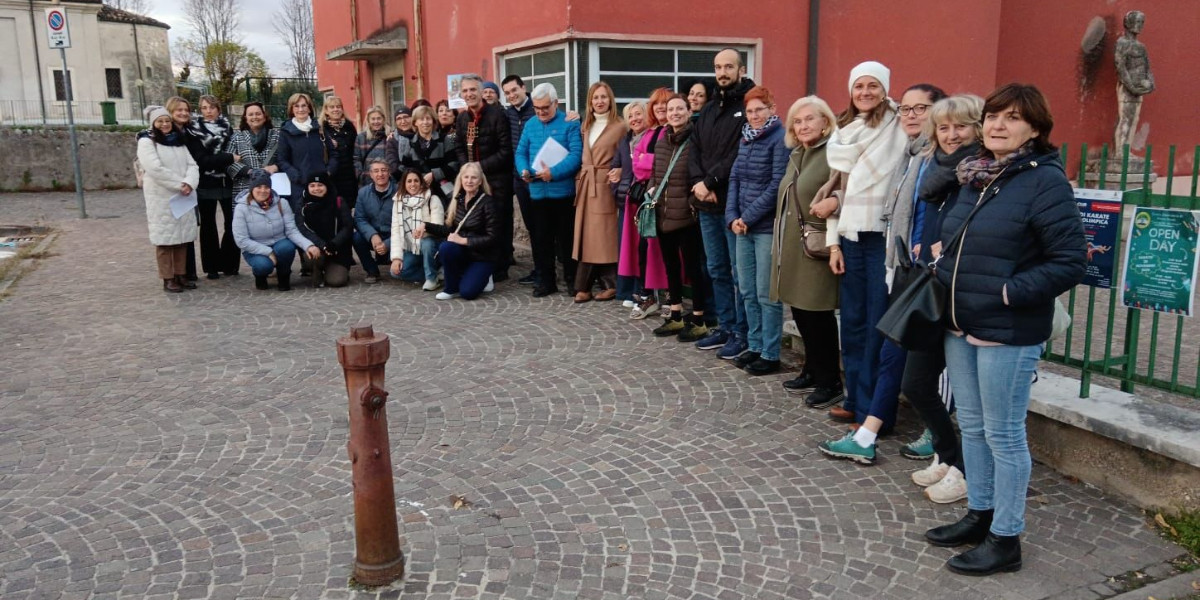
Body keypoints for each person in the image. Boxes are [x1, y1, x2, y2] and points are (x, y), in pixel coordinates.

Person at [924, 84, 1085, 576]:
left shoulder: (1044, 181)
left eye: (1011, 118)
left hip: (1008, 329)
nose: (997, 125)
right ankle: (981, 514)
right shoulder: (976, 174)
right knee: (970, 425)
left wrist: (1009, 292)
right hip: (960, 322)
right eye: (992, 116)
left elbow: (1070, 260)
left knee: (1004, 434)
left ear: (1034, 128)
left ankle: (1006, 537)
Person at [818, 82, 945, 462]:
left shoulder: (918, 149)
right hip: (880, 245)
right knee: (865, 328)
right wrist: (834, 239)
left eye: (920, 109)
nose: (911, 115)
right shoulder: (902, 149)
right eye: (907, 109)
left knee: (893, 338)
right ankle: (864, 409)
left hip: (901, 253)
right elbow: (844, 186)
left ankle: (898, 423)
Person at [811, 61, 906, 426]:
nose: (865, 92)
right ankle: (854, 397)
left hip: (880, 236)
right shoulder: (845, 131)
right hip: (850, 235)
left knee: (875, 325)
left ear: (884, 89)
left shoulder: (896, 128)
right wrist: (833, 243)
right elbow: (838, 189)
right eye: (859, 86)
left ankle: (875, 410)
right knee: (851, 322)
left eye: (873, 85)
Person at [904, 94, 984, 505]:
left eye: (962, 127)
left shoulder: (981, 173)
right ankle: (949, 455)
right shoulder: (938, 169)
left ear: (978, 129)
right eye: (945, 127)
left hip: (964, 294)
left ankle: (966, 470)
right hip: (934, 283)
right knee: (916, 383)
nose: (952, 136)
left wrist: (945, 249)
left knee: (970, 400)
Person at [771, 96, 843, 405]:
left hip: (818, 245)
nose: (802, 126)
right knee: (800, 309)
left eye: (809, 119)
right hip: (794, 244)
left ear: (825, 121)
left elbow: (845, 191)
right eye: (797, 121)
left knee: (818, 314)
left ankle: (830, 382)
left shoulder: (833, 153)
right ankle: (812, 369)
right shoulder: (798, 153)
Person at [690, 48, 755, 360]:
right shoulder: (711, 104)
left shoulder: (748, 103)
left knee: (738, 271)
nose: (723, 72)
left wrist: (710, 182)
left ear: (741, 69)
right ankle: (726, 326)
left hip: (733, 202)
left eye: (729, 66)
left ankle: (742, 332)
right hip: (706, 202)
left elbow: (739, 150)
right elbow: (695, 147)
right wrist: (698, 183)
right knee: (716, 269)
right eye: (718, 67)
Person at [726, 85, 789, 375]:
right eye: (750, 111)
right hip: (742, 226)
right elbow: (735, 177)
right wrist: (732, 216)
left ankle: (770, 352)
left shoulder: (780, 139)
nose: (754, 116)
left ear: (772, 109)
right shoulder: (746, 138)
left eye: (759, 110)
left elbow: (777, 184)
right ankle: (754, 345)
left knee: (766, 293)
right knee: (747, 290)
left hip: (764, 227)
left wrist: (747, 217)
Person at [648, 95, 708, 341]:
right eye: (670, 109)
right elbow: (655, 172)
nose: (674, 113)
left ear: (688, 111)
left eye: (679, 109)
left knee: (694, 268)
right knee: (670, 265)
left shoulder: (696, 139)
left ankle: (698, 318)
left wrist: (691, 204)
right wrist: (652, 187)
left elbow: (700, 174)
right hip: (663, 213)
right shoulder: (662, 140)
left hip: (687, 215)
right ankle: (675, 315)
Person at [515, 83, 583, 297]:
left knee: (567, 240)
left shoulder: (569, 123)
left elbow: (576, 156)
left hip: (562, 192)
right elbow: (520, 152)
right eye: (537, 108)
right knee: (540, 239)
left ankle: (572, 280)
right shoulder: (531, 124)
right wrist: (523, 169)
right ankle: (546, 281)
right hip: (536, 192)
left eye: (546, 107)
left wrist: (554, 172)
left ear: (556, 103)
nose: (541, 112)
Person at [455, 74, 515, 281]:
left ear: (481, 92)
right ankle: (481, 264)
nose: (469, 94)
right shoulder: (462, 118)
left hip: (497, 179)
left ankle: (501, 267)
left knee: (499, 222)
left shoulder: (497, 115)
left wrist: (479, 167)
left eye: (473, 90)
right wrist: (467, 168)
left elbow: (506, 151)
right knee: (477, 223)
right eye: (465, 91)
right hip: (472, 180)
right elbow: (459, 147)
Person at [573, 81, 627, 303]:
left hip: (605, 185)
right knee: (586, 235)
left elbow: (626, 154)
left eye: (604, 97)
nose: (600, 101)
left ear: (610, 99)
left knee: (603, 237)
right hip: (586, 184)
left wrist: (620, 171)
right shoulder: (586, 124)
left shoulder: (620, 126)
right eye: (596, 97)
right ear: (590, 101)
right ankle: (595, 284)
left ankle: (604, 284)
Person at [137, 106, 200, 293]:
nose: (164, 124)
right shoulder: (147, 142)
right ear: (153, 123)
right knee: (165, 239)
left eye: (167, 121)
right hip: (162, 197)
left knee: (182, 238)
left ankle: (181, 274)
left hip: (183, 195)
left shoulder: (178, 140)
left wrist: (189, 182)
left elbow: (192, 164)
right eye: (160, 121)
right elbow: (154, 168)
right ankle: (168, 277)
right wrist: (179, 184)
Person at [625, 88, 675, 320]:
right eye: (656, 104)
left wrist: (647, 159)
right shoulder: (650, 132)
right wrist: (648, 161)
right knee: (644, 248)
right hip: (646, 199)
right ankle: (648, 295)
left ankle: (668, 296)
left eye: (665, 104)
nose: (660, 108)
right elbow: (637, 165)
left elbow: (668, 163)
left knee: (665, 250)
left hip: (666, 198)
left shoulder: (672, 132)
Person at [419, 162, 501, 300]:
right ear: (461, 179)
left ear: (480, 181)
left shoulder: (489, 203)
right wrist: (426, 226)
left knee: (467, 293)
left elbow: (493, 238)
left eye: (474, 178)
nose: (469, 181)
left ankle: (486, 277)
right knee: (446, 247)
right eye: (466, 177)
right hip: (464, 254)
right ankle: (451, 288)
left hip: (483, 256)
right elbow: (449, 231)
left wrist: (464, 240)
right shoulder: (457, 199)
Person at [232, 172, 321, 291]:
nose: (263, 191)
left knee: (287, 248)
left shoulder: (281, 203)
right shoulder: (241, 208)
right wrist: (268, 252)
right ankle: (260, 276)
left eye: (266, 187)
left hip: (279, 241)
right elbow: (241, 240)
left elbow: (292, 231)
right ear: (252, 188)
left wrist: (308, 246)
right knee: (263, 266)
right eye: (258, 187)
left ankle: (284, 275)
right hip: (255, 246)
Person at [191, 95, 240, 279]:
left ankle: (230, 264)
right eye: (204, 108)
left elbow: (236, 153)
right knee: (208, 225)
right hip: (206, 182)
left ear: (218, 108)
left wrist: (224, 160)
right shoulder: (195, 131)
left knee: (232, 223)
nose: (208, 111)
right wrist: (227, 159)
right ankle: (211, 266)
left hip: (228, 181)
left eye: (212, 107)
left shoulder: (228, 128)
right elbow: (202, 160)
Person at [502, 74, 539, 285]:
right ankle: (538, 267)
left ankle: (549, 266)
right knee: (531, 225)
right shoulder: (507, 114)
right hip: (518, 177)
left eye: (514, 90)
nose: (512, 95)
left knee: (543, 224)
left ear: (523, 88)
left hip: (539, 177)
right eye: (507, 93)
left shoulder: (537, 107)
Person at [611, 100, 647, 306]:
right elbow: (615, 167)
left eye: (638, 114)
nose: (635, 119)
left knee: (642, 247)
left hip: (643, 199)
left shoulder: (651, 138)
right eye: (630, 116)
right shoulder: (625, 142)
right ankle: (626, 291)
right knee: (627, 249)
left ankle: (641, 291)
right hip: (626, 200)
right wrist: (616, 188)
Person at [392, 105, 460, 208]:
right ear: (415, 122)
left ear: (433, 121)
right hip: (419, 193)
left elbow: (454, 165)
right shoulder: (411, 144)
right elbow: (404, 168)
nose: (425, 122)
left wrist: (433, 174)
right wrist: (389, 178)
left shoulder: (444, 140)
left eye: (428, 118)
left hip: (442, 191)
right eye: (421, 119)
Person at [276, 93, 335, 211]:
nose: (301, 109)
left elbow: (334, 154)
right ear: (291, 109)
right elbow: (282, 160)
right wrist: (296, 176)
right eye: (296, 106)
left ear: (309, 108)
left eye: (304, 106)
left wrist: (328, 171)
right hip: (299, 187)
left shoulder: (320, 129)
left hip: (322, 185)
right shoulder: (285, 132)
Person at [295, 173, 353, 288]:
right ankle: (316, 270)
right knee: (313, 256)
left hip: (337, 249)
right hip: (316, 247)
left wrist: (333, 244)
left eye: (320, 185)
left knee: (336, 281)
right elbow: (302, 228)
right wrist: (323, 245)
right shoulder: (302, 203)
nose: (316, 189)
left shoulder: (338, 201)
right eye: (312, 185)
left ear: (327, 186)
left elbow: (348, 226)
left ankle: (332, 270)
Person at [390, 169, 445, 290]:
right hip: (412, 248)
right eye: (409, 181)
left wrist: (424, 229)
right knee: (395, 272)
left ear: (421, 183)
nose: (412, 184)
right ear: (404, 184)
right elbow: (396, 231)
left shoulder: (432, 199)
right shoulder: (398, 202)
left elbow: (439, 228)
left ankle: (431, 279)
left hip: (432, 245)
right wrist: (396, 258)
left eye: (416, 180)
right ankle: (436, 274)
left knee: (427, 243)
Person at [353, 159, 399, 283]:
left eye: (384, 170)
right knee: (356, 237)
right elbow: (359, 218)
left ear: (389, 173)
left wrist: (388, 243)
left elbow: (404, 222)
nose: (380, 174)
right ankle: (371, 271)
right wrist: (372, 235)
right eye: (376, 171)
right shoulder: (363, 193)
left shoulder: (400, 191)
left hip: (395, 235)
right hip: (374, 234)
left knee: (401, 273)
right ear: (371, 174)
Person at [226, 101, 280, 199]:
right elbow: (228, 162)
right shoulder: (236, 137)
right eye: (250, 114)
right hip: (244, 190)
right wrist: (249, 171)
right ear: (245, 119)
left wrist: (276, 166)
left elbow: (286, 157)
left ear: (264, 116)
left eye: (258, 114)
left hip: (271, 188)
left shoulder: (277, 136)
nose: (255, 117)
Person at [321, 95, 358, 208]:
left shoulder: (349, 126)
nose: (336, 109)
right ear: (326, 111)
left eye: (338, 106)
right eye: (332, 107)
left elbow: (355, 146)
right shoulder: (322, 128)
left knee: (351, 205)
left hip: (350, 174)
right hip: (333, 175)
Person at [354, 106, 390, 188]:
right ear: (368, 121)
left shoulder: (390, 136)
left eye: (378, 118)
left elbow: (392, 159)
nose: (376, 121)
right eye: (373, 119)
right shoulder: (361, 137)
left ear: (383, 119)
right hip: (366, 182)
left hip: (387, 182)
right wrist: (360, 176)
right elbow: (356, 159)